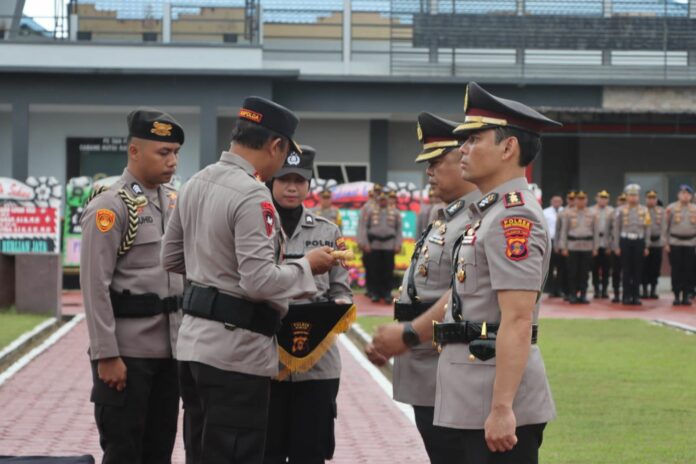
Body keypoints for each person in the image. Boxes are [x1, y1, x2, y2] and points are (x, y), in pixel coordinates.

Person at [367, 81, 560, 463]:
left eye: (474, 140)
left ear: (508, 148)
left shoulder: (513, 216)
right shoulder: (488, 214)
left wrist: (503, 407)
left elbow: (518, 320)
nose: (464, 149)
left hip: (492, 396)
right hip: (471, 391)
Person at [161, 96, 337, 464]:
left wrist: (212, 271)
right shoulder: (253, 193)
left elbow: (171, 258)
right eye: (284, 152)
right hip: (236, 354)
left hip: (193, 345)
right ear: (276, 146)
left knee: (201, 452)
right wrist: (307, 266)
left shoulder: (195, 182)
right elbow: (258, 281)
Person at [80, 108, 185, 464]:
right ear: (134, 151)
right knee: (124, 452)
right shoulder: (110, 206)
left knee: (160, 452)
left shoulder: (172, 203)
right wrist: (106, 355)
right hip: (126, 356)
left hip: (168, 353)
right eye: (163, 152)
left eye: (175, 153)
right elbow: (95, 285)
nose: (172, 161)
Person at [391, 112, 479, 463]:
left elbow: (463, 294)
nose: (429, 171)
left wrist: (409, 332)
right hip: (425, 363)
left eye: (437, 161)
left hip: (444, 363)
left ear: (463, 160)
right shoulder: (445, 216)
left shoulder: (474, 219)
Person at [264, 146, 352, 464]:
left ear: (309, 185)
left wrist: (336, 308)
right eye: (284, 179)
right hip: (266, 361)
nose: (292, 187)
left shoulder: (328, 231)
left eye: (300, 181)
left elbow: (343, 292)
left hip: (318, 366)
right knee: (266, 452)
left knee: (310, 453)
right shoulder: (255, 227)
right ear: (270, 181)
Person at [358, 186, 403, 303]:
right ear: (378, 200)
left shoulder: (395, 212)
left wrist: (398, 244)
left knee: (388, 270)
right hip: (375, 245)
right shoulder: (370, 211)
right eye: (381, 199)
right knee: (375, 270)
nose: (383, 201)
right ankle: (375, 293)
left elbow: (399, 230)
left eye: (385, 199)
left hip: (389, 245)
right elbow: (364, 228)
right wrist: (365, 243)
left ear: (388, 200)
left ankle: (387, 293)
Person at [613, 184, 650, 305]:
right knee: (626, 270)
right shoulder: (620, 210)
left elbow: (647, 228)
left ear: (638, 197)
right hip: (625, 241)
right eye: (630, 195)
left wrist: (647, 245)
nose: (633, 198)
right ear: (626, 196)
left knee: (638, 269)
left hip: (639, 241)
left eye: (635, 195)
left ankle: (636, 296)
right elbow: (616, 229)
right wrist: (616, 246)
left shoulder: (644, 210)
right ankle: (626, 296)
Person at [559, 191, 597, 304]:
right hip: (572, 246)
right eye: (579, 199)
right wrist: (564, 247)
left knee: (584, 273)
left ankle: (583, 295)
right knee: (572, 272)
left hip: (587, 246)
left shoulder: (592, 213)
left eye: (583, 199)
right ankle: (573, 294)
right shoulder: (568, 213)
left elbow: (595, 232)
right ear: (575, 200)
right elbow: (564, 231)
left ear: (586, 200)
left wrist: (595, 248)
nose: (581, 201)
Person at [664, 185, 696, 306]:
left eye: (687, 194)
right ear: (678, 195)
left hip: (691, 242)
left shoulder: (695, 208)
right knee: (676, 269)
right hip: (675, 242)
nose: (685, 196)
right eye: (682, 193)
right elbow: (665, 227)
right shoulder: (671, 208)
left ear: (691, 196)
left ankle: (686, 294)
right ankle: (677, 294)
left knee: (689, 269)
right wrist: (666, 242)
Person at [357, 184, 380, 299]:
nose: (377, 194)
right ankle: (370, 288)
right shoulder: (367, 207)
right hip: (368, 240)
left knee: (377, 266)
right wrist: (362, 242)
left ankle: (376, 289)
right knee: (369, 266)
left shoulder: (382, 206)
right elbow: (362, 225)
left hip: (379, 242)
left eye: (379, 192)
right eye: (375, 192)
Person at [590, 190, 613, 299]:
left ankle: (604, 289)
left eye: (605, 198)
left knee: (606, 269)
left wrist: (611, 245)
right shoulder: (591, 210)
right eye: (601, 197)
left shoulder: (612, 211)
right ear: (596, 198)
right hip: (595, 243)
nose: (603, 200)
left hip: (607, 242)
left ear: (608, 199)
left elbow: (614, 229)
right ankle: (596, 289)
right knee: (595, 268)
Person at [642, 190, 665, 299]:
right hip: (645, 244)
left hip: (657, 243)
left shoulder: (662, 211)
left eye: (653, 198)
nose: (651, 200)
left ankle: (653, 290)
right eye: (649, 198)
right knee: (644, 267)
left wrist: (664, 241)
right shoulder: (641, 210)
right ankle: (645, 289)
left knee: (655, 267)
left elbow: (665, 227)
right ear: (645, 199)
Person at [543, 194, 564, 297]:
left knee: (561, 267)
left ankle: (559, 289)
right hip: (550, 240)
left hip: (561, 242)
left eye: (558, 201)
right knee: (550, 267)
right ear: (551, 202)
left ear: (561, 202)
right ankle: (550, 289)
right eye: (555, 201)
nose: (556, 203)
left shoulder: (565, 212)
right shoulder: (545, 212)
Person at [556, 191, 576, 301]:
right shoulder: (562, 212)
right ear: (567, 200)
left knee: (574, 270)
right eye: (570, 199)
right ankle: (565, 291)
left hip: (576, 245)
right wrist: (558, 245)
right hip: (564, 245)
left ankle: (573, 291)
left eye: (574, 199)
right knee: (564, 270)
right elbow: (558, 230)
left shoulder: (579, 212)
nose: (572, 201)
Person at [609, 192, 627, 302]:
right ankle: (616, 294)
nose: (622, 203)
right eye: (620, 200)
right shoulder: (612, 213)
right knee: (616, 271)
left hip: (627, 245)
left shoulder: (629, 213)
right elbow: (608, 230)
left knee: (627, 272)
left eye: (624, 200)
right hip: (614, 245)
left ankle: (626, 293)